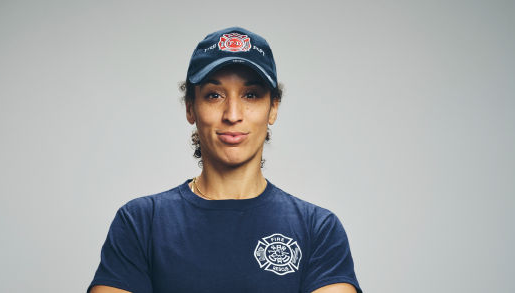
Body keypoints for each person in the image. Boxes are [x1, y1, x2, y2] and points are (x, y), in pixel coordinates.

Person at [88, 27, 362, 293]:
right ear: (190, 108)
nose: (232, 114)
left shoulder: (317, 229)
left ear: (273, 108)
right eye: (214, 95)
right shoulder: (141, 223)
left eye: (251, 95)